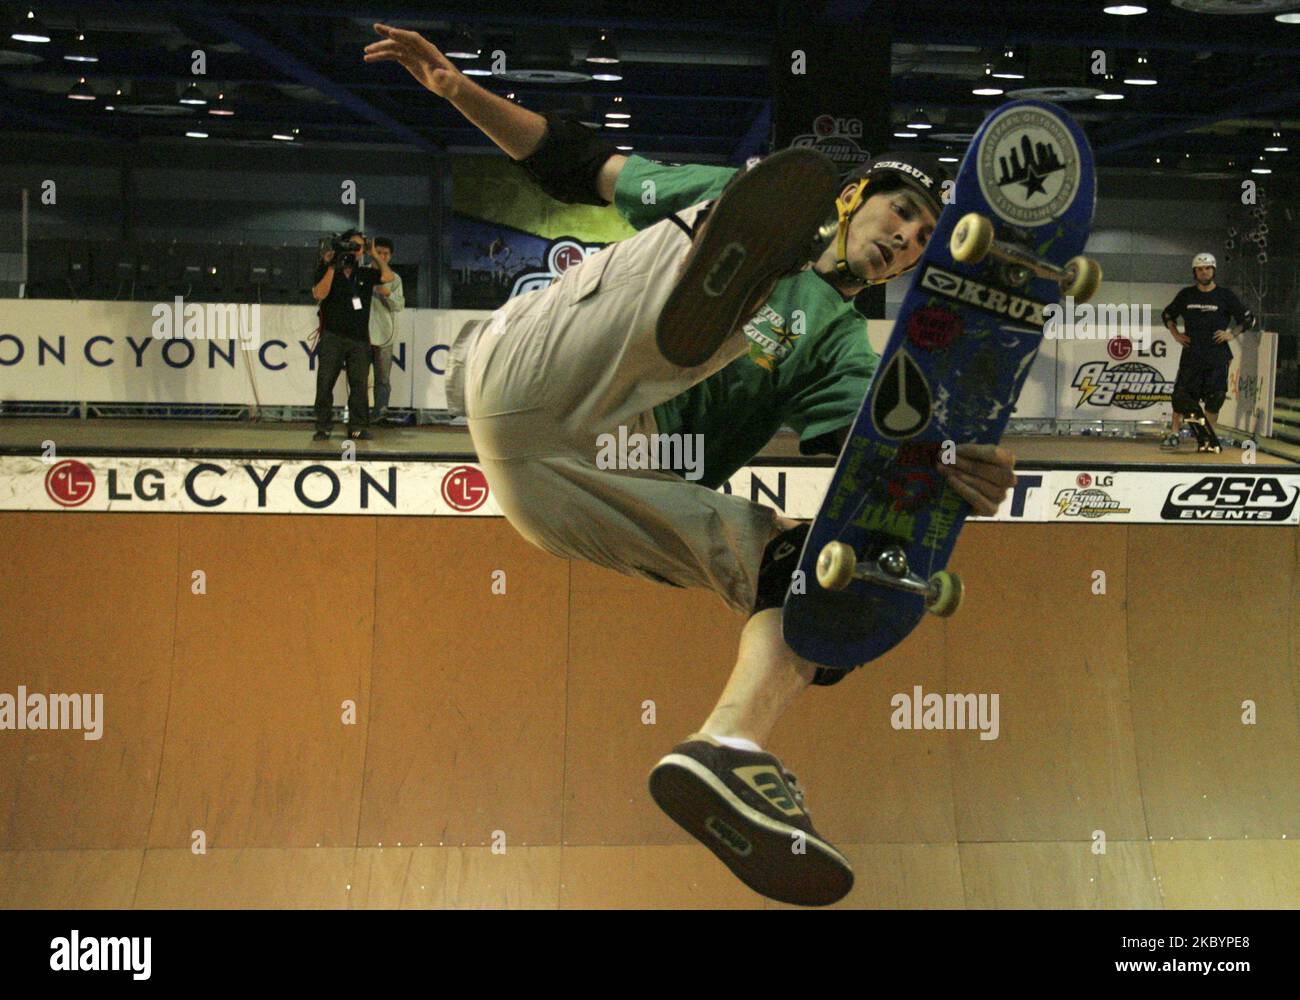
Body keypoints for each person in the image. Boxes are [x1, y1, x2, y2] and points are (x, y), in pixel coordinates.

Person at [365, 22, 1017, 906]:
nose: (903, 239)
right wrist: (457, 91)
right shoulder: (752, 194)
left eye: (919, 240)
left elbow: (870, 467)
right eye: (899, 213)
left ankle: (730, 749)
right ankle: (714, 278)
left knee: (807, 569)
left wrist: (949, 475)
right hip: (538, 376)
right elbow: (576, 163)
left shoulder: (840, 350)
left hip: (568, 489)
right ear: (858, 198)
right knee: (735, 209)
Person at [1160, 252, 1254, 453]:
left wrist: (1231, 333)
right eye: (1200, 269)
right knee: (1181, 396)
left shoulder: (1225, 296)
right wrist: (1176, 334)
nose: (1204, 272)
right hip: (1192, 355)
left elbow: (1247, 319)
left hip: (1217, 356)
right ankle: (1174, 434)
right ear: (1195, 272)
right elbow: (1167, 314)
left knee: (1215, 399)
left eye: (1208, 268)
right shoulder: (1186, 295)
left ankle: (1208, 439)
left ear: (1214, 270)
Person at [310, 230, 396, 441]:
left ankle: (357, 426)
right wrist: (333, 265)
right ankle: (323, 426)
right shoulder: (327, 267)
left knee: (359, 385)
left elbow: (388, 277)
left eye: (359, 248)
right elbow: (319, 294)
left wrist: (374, 255)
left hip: (359, 339)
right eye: (351, 246)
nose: (354, 252)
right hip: (333, 335)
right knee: (325, 382)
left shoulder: (365, 273)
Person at [368, 236, 405, 424]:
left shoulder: (394, 279)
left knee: (382, 378)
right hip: (361, 334)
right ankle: (358, 415)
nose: (382, 256)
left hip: (385, 335)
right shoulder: (363, 273)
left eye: (386, 254)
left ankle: (380, 414)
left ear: (391, 256)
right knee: (358, 378)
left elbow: (399, 305)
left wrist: (387, 293)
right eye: (379, 252)